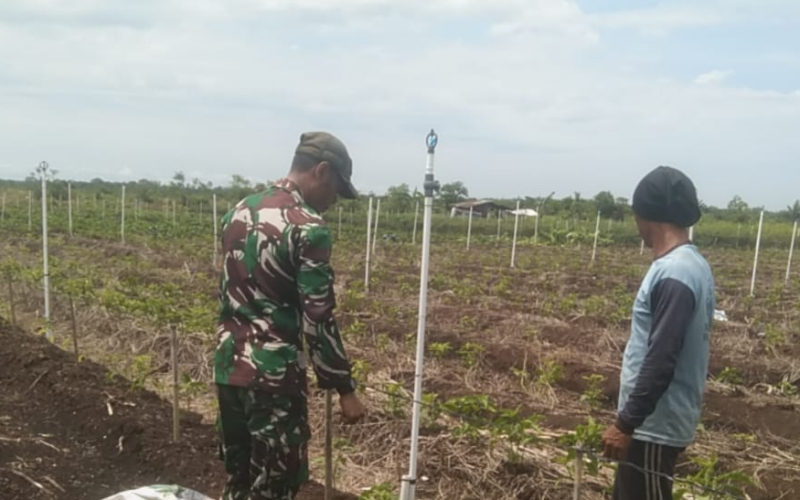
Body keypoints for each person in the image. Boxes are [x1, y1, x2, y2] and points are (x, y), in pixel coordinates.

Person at [214, 131, 367, 500]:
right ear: (322, 171)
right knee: (275, 488)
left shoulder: (239, 210)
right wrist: (344, 388)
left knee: (240, 482)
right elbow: (318, 315)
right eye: (336, 189)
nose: (334, 201)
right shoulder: (307, 226)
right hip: (273, 380)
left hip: (228, 369)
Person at [602, 166, 715, 500]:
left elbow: (662, 356)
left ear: (645, 214)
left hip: (653, 427)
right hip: (651, 424)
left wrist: (626, 423)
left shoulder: (674, 272)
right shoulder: (692, 264)